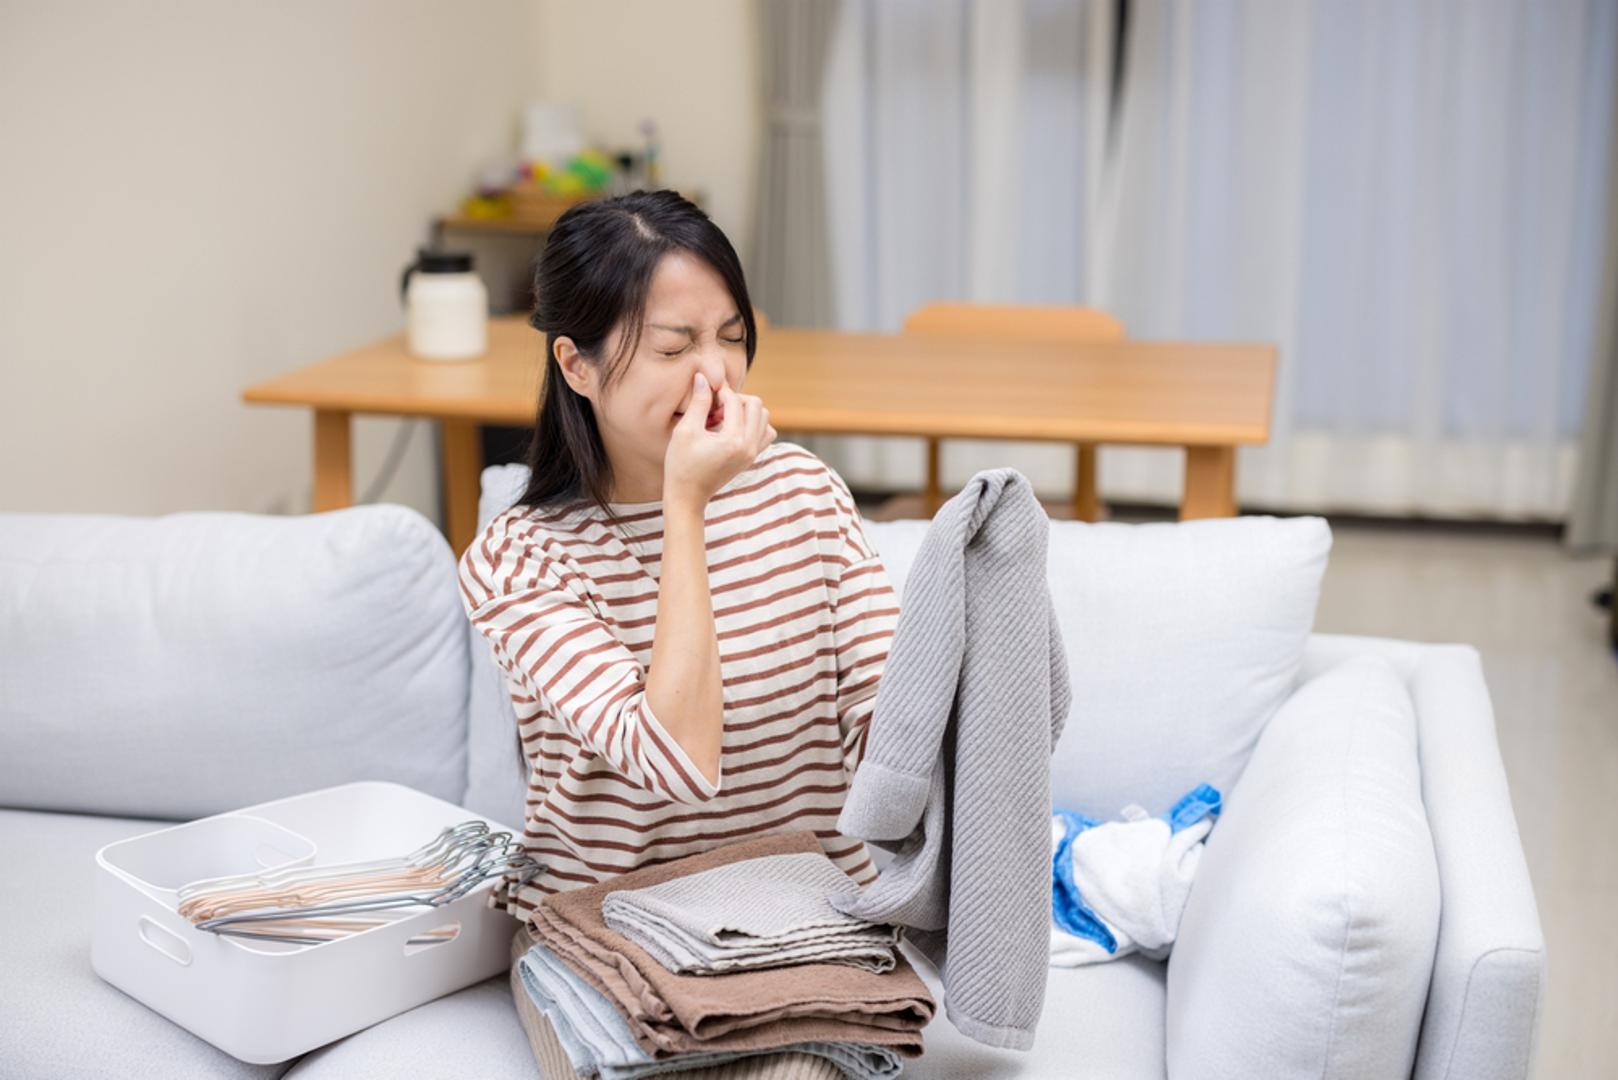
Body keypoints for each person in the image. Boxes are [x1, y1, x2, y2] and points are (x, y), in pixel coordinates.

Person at [456, 189, 901, 1076]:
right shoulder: (520, 559)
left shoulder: (805, 495)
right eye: (673, 345)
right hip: (606, 930)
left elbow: (887, 733)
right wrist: (685, 503)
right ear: (575, 365)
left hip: (797, 922)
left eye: (731, 336)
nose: (717, 375)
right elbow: (678, 760)